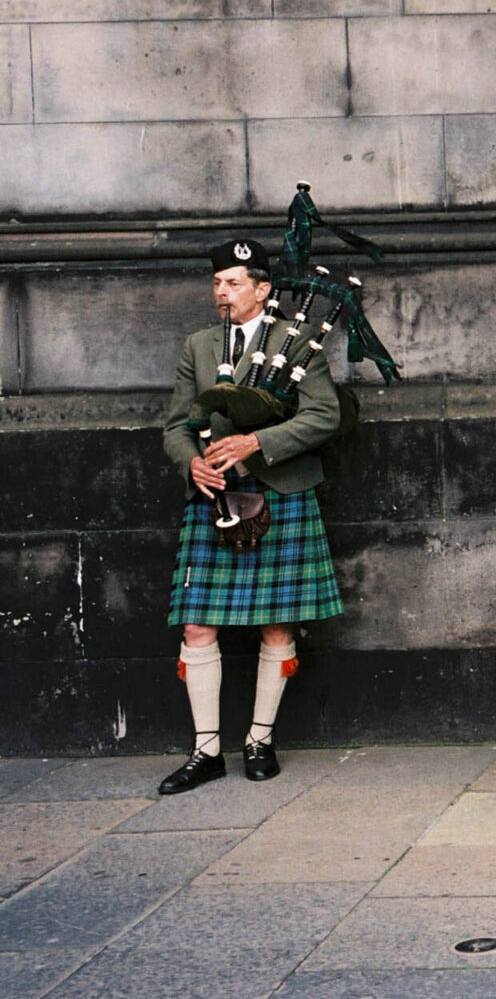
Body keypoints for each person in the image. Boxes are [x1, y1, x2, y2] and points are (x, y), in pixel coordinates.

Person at [156, 239, 344, 795]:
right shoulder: (199, 345)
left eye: (233, 283)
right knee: (196, 623)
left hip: (279, 490)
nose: (222, 292)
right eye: (217, 283)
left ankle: (260, 741)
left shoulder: (299, 341)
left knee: (277, 622)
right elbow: (177, 426)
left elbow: (324, 417)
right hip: (214, 499)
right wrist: (193, 464)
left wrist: (254, 442)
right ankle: (206, 751)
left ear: (262, 289)